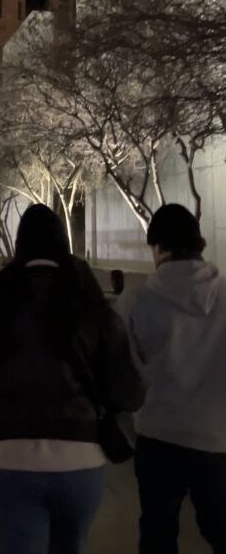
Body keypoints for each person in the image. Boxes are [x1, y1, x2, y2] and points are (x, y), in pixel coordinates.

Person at [0, 204, 144, 553]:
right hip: (80, 458)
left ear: (19, 245)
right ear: (62, 244)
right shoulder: (93, 306)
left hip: (8, 456)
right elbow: (129, 392)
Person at [119, 203, 226, 554]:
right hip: (217, 437)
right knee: (219, 525)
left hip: (158, 435)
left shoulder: (136, 300)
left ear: (158, 247)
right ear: (200, 245)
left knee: (158, 531)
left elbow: (126, 374)